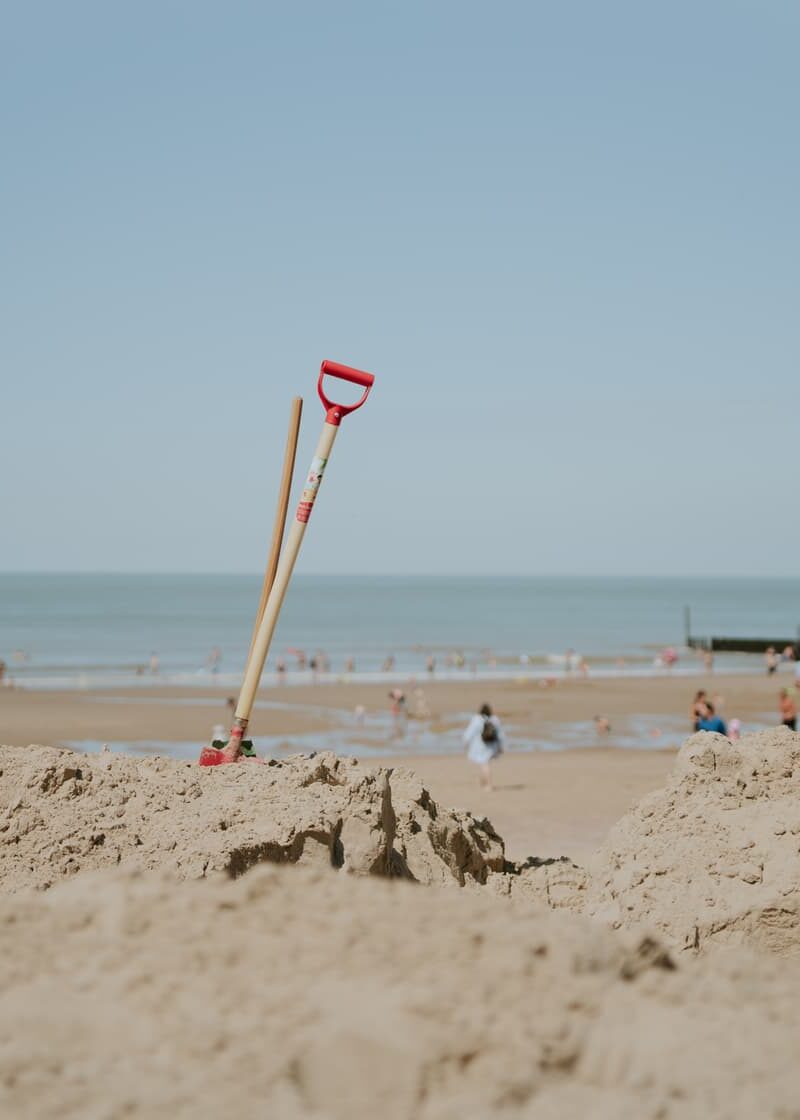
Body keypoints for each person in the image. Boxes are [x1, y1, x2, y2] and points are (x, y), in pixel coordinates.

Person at [463, 703, 505, 790]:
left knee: (484, 764)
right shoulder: (494, 719)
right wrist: (500, 746)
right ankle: (483, 782)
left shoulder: (477, 719)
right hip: (491, 746)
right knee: (484, 764)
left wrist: (465, 741)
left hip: (479, 746)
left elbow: (470, 732)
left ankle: (488, 785)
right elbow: (500, 734)